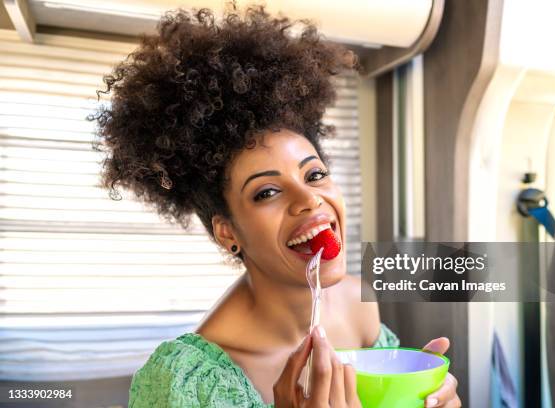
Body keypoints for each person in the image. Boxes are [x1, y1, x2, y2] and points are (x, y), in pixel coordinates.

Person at [91, 4, 461, 407]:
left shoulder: (360, 307)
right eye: (267, 192)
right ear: (227, 231)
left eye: (314, 174)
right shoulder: (184, 383)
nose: (309, 200)